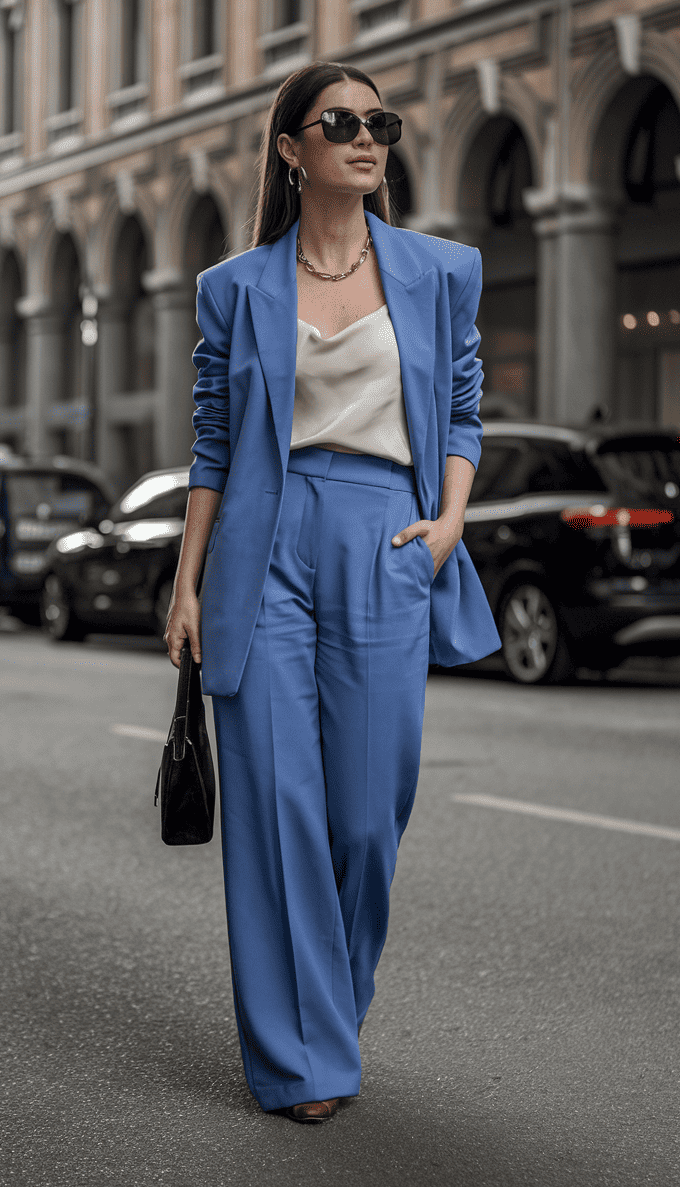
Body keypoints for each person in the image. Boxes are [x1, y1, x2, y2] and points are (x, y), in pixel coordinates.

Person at [164, 61, 501, 1124]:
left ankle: (328, 1015)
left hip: (385, 536)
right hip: (261, 546)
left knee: (363, 816)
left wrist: (449, 523)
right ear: (291, 149)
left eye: (380, 123)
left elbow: (462, 406)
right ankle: (300, 1059)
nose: (366, 138)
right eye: (341, 122)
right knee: (275, 809)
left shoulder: (440, 270)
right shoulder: (235, 288)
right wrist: (186, 585)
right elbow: (213, 444)